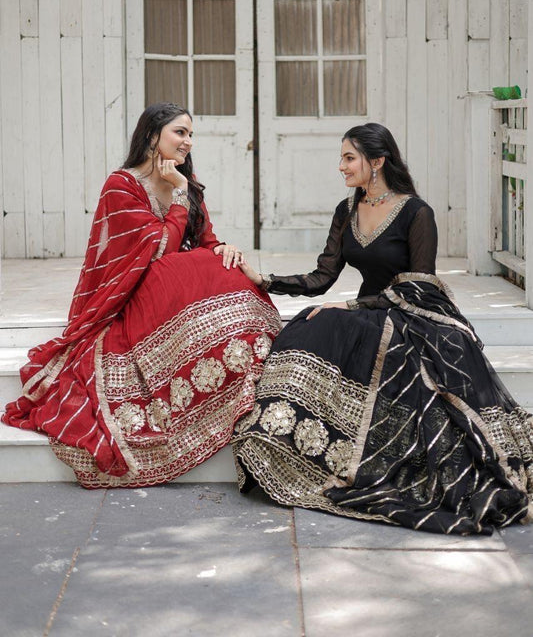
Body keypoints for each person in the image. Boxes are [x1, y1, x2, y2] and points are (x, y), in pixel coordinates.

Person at [233, 122, 533, 535]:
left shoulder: (416, 212)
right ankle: (293, 443)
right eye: (341, 157)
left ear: (378, 161)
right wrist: (266, 280)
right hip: (368, 310)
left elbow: (419, 285)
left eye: (349, 157)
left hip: (414, 312)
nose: (341, 166)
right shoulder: (347, 210)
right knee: (309, 325)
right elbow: (323, 276)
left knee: (354, 330)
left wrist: (355, 303)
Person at [2, 103, 281, 488]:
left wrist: (225, 250)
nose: (188, 142)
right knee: (186, 265)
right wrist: (180, 198)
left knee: (217, 264)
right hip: (136, 294)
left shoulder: (187, 181)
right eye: (179, 132)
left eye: (190, 134)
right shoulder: (122, 185)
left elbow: (206, 240)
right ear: (153, 136)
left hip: (177, 293)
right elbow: (157, 251)